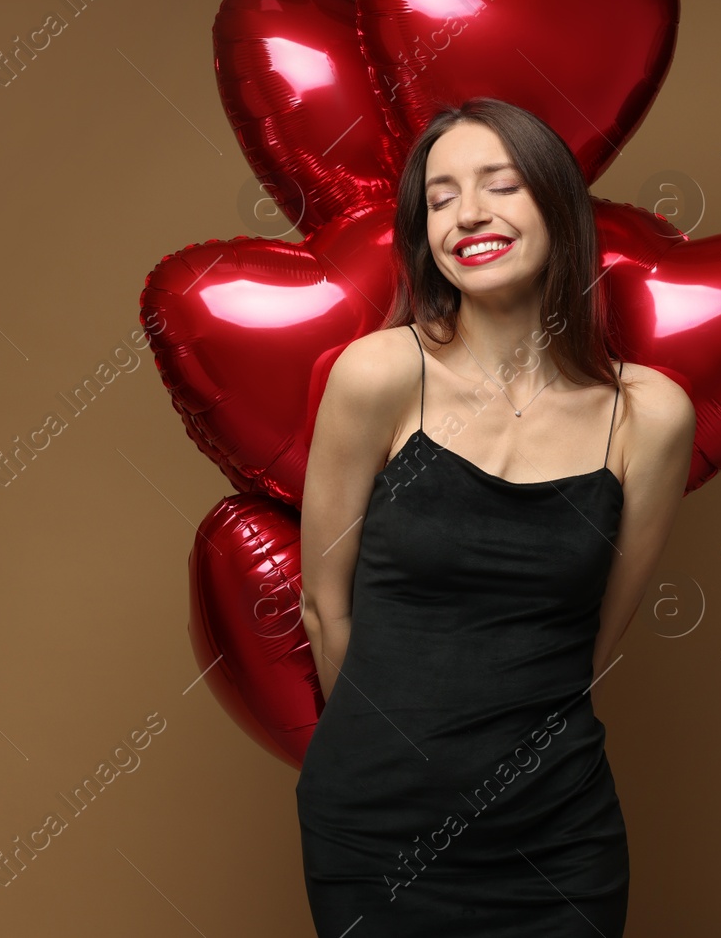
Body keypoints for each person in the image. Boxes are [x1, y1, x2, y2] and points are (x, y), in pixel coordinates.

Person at [295, 96, 696, 936]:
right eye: (440, 199)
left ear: (556, 202)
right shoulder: (378, 375)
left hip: (558, 833)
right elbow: (324, 608)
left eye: (500, 185)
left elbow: (592, 638)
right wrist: (394, 759)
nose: (468, 214)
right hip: (375, 831)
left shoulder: (648, 414)